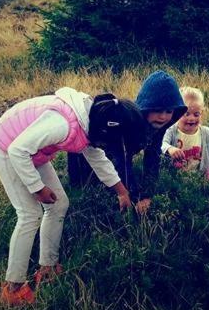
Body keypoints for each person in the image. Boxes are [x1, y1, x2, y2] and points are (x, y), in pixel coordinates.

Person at [0, 87, 145, 306]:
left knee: (59, 204)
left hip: (32, 153)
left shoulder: (89, 122)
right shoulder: (62, 124)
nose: (109, 147)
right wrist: (37, 188)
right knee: (29, 214)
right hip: (6, 149)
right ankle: (13, 288)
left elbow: (98, 159)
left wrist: (122, 192)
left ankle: (48, 268)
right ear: (105, 131)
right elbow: (17, 150)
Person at [68, 70, 186, 215]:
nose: (163, 116)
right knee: (81, 187)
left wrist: (147, 195)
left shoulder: (158, 125)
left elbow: (153, 157)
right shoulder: (128, 122)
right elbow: (122, 161)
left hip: (109, 154)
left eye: (169, 111)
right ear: (146, 107)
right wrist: (132, 195)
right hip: (85, 145)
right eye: (157, 110)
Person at [162, 86, 209, 181]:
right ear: (177, 112)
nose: (192, 118)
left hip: (199, 180)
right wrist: (170, 148)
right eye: (187, 114)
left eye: (196, 114)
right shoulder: (171, 130)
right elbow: (162, 144)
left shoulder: (206, 132)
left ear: (202, 113)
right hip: (174, 179)